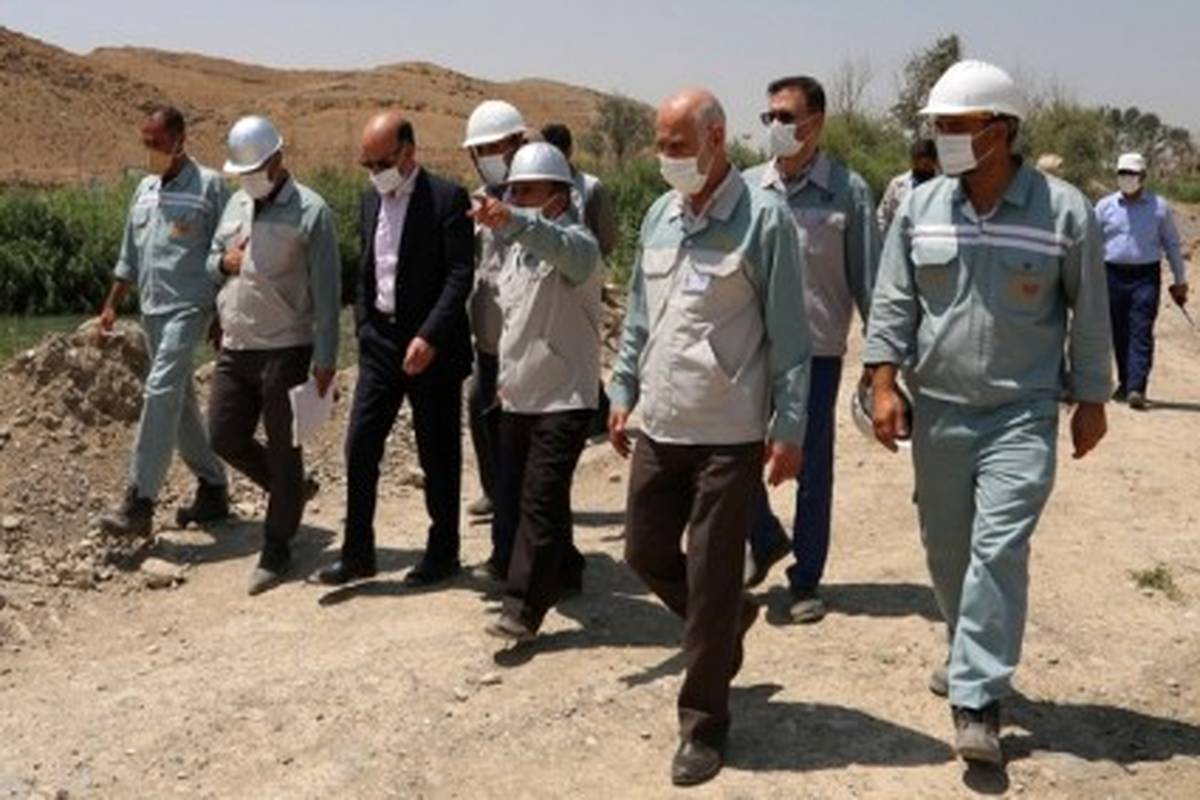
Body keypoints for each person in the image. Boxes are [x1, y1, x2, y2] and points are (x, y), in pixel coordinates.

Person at [864, 60, 1112, 765]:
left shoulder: (1063, 212)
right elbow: (893, 302)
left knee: (997, 549)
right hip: (940, 410)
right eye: (937, 126)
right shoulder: (920, 207)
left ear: (998, 132)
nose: (939, 137)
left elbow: (1089, 312)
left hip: (1021, 412)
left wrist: (1091, 399)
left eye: (954, 125)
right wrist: (883, 383)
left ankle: (977, 699)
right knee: (947, 550)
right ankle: (963, 643)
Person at [609, 88, 812, 787]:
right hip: (662, 425)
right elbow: (640, 314)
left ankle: (703, 724)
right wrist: (623, 388)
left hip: (729, 432)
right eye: (660, 145)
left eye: (677, 146)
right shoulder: (661, 215)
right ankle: (726, 621)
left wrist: (789, 428)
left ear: (717, 138)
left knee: (710, 574)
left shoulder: (765, 220)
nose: (665, 158)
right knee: (643, 552)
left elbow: (791, 338)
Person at [742, 75, 880, 624]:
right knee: (734, 454)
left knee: (812, 468)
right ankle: (763, 535)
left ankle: (805, 580)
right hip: (751, 348)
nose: (775, 126)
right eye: (769, 117)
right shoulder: (748, 188)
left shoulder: (848, 191)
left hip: (817, 353)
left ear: (815, 122)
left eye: (786, 117)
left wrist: (881, 364)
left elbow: (870, 280)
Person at [318, 112, 474, 588]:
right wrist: (365, 326)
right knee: (360, 445)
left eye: (381, 163)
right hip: (381, 344)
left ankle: (443, 551)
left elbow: (460, 275)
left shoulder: (447, 198)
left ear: (409, 152)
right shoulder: (369, 199)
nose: (374, 172)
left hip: (433, 346)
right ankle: (357, 554)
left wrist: (430, 335)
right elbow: (369, 270)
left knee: (437, 453)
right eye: (367, 164)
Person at [469, 142, 602, 640]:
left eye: (526, 191)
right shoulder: (517, 254)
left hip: (565, 397)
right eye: (511, 192)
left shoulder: (578, 245)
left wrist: (516, 221)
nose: (515, 200)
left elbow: (562, 250)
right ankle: (566, 569)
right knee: (535, 495)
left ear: (558, 197)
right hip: (521, 396)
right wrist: (505, 383)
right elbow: (515, 325)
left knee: (539, 499)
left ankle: (522, 608)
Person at [206, 115, 341, 596]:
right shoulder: (236, 204)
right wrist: (223, 264)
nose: (248, 179)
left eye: (255, 169)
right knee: (223, 435)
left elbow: (328, 292)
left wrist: (326, 358)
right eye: (241, 172)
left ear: (278, 159)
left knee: (285, 448)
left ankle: (277, 546)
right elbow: (213, 260)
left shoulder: (312, 212)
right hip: (236, 344)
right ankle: (291, 494)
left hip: (286, 347)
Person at [96, 106, 230, 537]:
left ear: (180, 141)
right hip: (151, 309)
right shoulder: (145, 189)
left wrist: (222, 313)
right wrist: (111, 305)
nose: (150, 150)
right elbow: (129, 255)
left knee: (159, 391)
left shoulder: (210, 186)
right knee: (180, 401)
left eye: (157, 143)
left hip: (189, 307)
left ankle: (140, 501)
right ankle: (213, 486)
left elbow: (228, 253)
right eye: (146, 142)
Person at [461, 100, 525, 542]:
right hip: (487, 341)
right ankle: (497, 495)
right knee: (478, 408)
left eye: (492, 147)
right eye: (478, 150)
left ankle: (517, 529)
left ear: (516, 143)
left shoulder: (539, 196)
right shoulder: (478, 201)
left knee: (519, 438)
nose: (485, 157)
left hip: (525, 344)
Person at [541, 122, 620, 443]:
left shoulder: (590, 188)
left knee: (583, 348)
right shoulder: (536, 186)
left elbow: (606, 237)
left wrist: (589, 268)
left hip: (583, 281)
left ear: (569, 152)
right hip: (547, 283)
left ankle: (595, 413)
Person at [1095, 152, 1189, 409]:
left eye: (1132, 174)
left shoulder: (1159, 207)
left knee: (1141, 329)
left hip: (1145, 276)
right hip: (1111, 274)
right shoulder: (1104, 207)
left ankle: (1137, 387)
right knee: (1119, 331)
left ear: (1143, 176)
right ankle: (1126, 383)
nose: (1127, 178)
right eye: (1122, 173)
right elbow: (1091, 244)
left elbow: (1171, 244)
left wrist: (1180, 280)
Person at [878, 137, 940, 232]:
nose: (921, 168)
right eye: (916, 163)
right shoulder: (897, 185)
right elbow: (882, 217)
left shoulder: (942, 189)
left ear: (934, 163)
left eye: (925, 165)